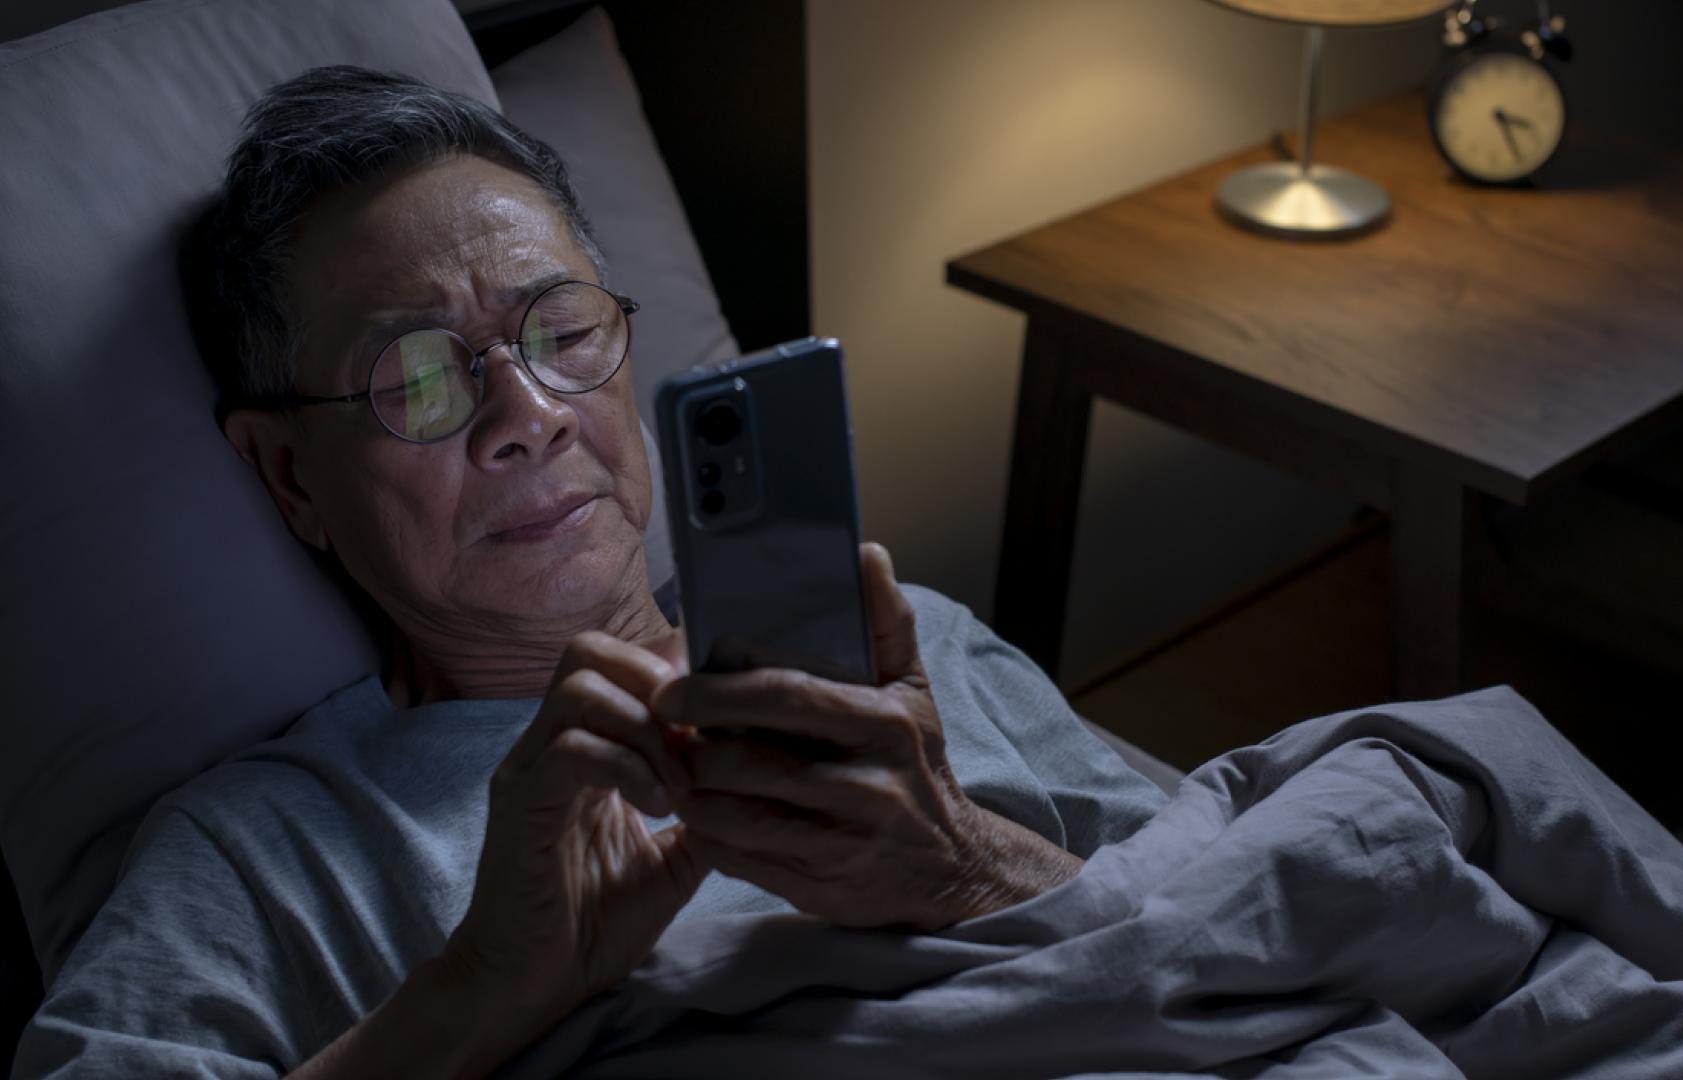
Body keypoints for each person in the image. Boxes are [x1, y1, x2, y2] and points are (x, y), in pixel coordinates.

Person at [12, 67, 1166, 1079]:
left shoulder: (902, 649)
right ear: (291, 476)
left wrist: (966, 864)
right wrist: (486, 989)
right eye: (418, 379)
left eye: (561, 335)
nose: (529, 416)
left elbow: (1255, 909)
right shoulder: (258, 851)